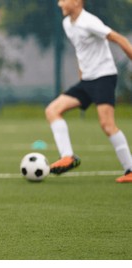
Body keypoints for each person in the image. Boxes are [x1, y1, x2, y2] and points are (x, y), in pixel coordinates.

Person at [46, 0, 132, 183]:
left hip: (104, 77)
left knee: (107, 125)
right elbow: (81, 51)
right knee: (52, 110)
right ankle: (68, 156)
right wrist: (81, 74)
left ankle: (130, 169)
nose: (59, 4)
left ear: (76, 2)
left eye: (63, 0)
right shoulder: (67, 24)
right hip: (86, 81)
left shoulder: (90, 21)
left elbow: (121, 39)